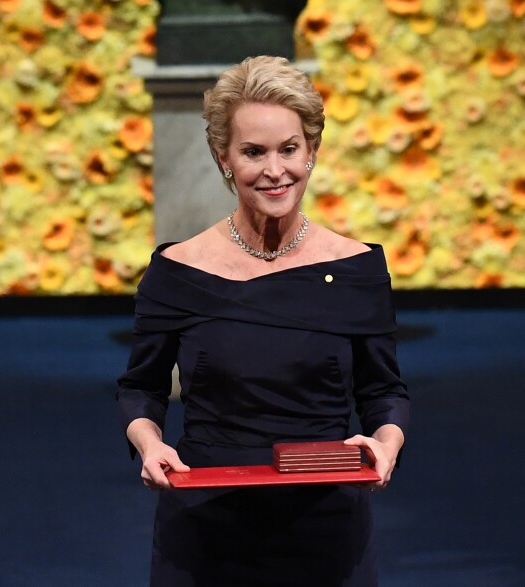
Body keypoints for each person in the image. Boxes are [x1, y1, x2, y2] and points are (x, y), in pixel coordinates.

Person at [116, 55, 410, 586]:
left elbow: (384, 392)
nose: (275, 170)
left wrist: (385, 443)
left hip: (325, 526)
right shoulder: (177, 270)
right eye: (253, 152)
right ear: (224, 158)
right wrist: (150, 443)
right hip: (205, 520)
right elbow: (142, 388)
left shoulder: (357, 268)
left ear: (312, 151)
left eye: (289, 149)